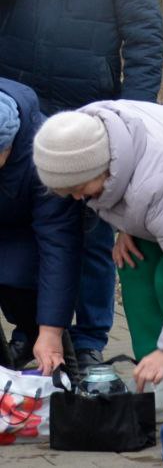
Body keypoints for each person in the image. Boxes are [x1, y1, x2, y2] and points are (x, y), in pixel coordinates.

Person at [0, 0, 163, 369]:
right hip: (18, 117)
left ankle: (89, 341)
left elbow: (144, 43)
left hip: (87, 120)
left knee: (93, 230)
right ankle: (35, 332)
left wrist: (127, 126)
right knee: (30, 230)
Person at [32, 102, 163, 391]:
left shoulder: (157, 181)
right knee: (133, 265)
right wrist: (126, 225)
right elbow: (123, 181)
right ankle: (154, 378)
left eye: (78, 189)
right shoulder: (85, 133)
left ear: (102, 170)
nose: (75, 198)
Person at [0, 78, 78, 375]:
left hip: (28, 235)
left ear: (7, 147)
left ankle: (65, 374)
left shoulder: (46, 159)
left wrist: (51, 330)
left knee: (24, 293)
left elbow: (59, 247)